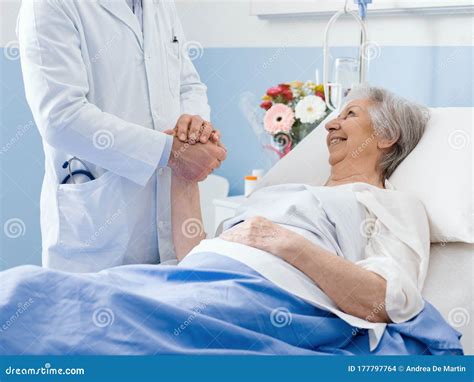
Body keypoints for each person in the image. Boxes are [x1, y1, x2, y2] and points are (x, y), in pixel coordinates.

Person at [16, 0, 226, 272]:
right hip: (99, 236)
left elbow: (188, 85)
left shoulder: (159, 5)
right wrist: (171, 153)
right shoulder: (48, 5)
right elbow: (60, 117)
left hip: (171, 228)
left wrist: (195, 130)